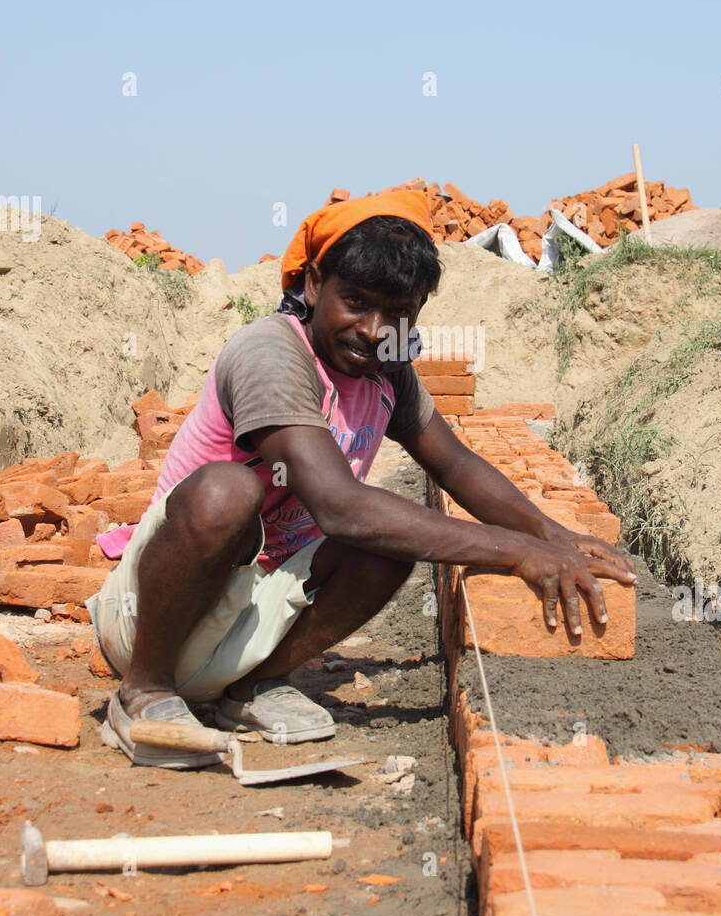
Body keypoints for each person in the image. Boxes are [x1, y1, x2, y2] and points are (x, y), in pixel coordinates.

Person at [88, 190, 636, 767]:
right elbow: (339, 507)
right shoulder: (273, 352)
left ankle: (253, 687)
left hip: (253, 627)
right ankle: (144, 694)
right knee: (229, 493)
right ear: (313, 284)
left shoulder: (388, 374)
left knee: (393, 545)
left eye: (397, 315)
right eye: (355, 301)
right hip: (155, 618)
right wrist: (516, 551)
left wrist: (554, 536)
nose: (374, 331)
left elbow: (455, 465)